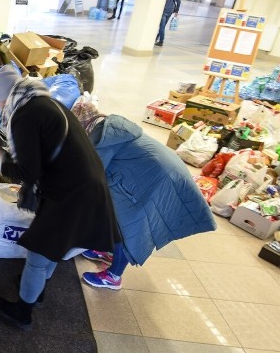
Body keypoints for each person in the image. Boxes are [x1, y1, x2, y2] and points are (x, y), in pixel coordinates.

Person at [0, 65, 119, 331]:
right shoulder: (43, 103)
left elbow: (28, 171)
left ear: (8, 95)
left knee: (39, 252)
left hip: (71, 193)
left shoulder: (25, 115)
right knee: (52, 244)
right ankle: (36, 290)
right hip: (80, 186)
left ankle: (23, 311)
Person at [70, 100, 216, 290]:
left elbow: (89, 178)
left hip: (160, 181)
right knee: (114, 212)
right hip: (162, 172)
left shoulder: (100, 138)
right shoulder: (111, 129)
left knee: (127, 223)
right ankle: (108, 251)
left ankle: (113, 277)